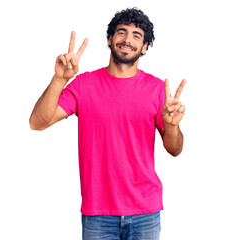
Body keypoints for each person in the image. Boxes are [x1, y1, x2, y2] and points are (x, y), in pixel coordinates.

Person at [29, 7, 186, 240]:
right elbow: (37, 122)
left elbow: (174, 150)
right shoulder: (84, 85)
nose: (127, 40)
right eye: (121, 32)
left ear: (144, 47)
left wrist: (172, 126)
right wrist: (59, 79)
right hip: (98, 213)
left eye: (136, 35)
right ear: (110, 39)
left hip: (145, 211)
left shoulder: (156, 90)